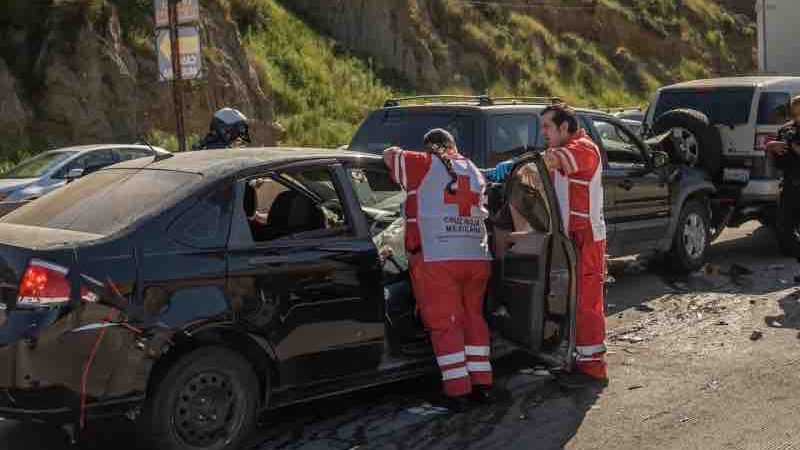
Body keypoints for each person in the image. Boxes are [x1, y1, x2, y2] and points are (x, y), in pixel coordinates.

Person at [485, 102, 608, 387]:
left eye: (547, 127)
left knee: (586, 302)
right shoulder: (561, 151)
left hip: (586, 237)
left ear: (565, 127)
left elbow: (550, 163)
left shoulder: (583, 148)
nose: (543, 133)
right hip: (569, 237)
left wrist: (518, 166)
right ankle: (575, 358)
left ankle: (593, 368)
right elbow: (539, 175)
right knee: (571, 301)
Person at [384, 129, 493, 411]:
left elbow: (389, 156)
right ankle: (481, 382)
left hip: (438, 257)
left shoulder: (423, 164)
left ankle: (457, 390)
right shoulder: (474, 170)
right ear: (454, 146)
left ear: (431, 149)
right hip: (477, 256)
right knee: (473, 318)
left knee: (445, 324)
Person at [766, 95, 800, 282]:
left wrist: (796, 148)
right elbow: (771, 147)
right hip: (789, 185)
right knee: (785, 231)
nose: (797, 117)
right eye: (794, 113)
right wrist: (772, 146)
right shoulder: (786, 130)